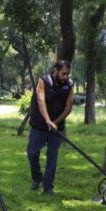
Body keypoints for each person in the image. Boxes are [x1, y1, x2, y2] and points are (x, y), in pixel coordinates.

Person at [27, 60, 74, 195]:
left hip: (56, 127)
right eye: (63, 73)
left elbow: (68, 107)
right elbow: (40, 100)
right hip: (39, 125)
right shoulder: (43, 81)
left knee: (52, 157)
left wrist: (55, 122)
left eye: (67, 74)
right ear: (55, 71)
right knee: (32, 153)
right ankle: (37, 177)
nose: (66, 77)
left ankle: (48, 187)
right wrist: (47, 120)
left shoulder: (69, 85)